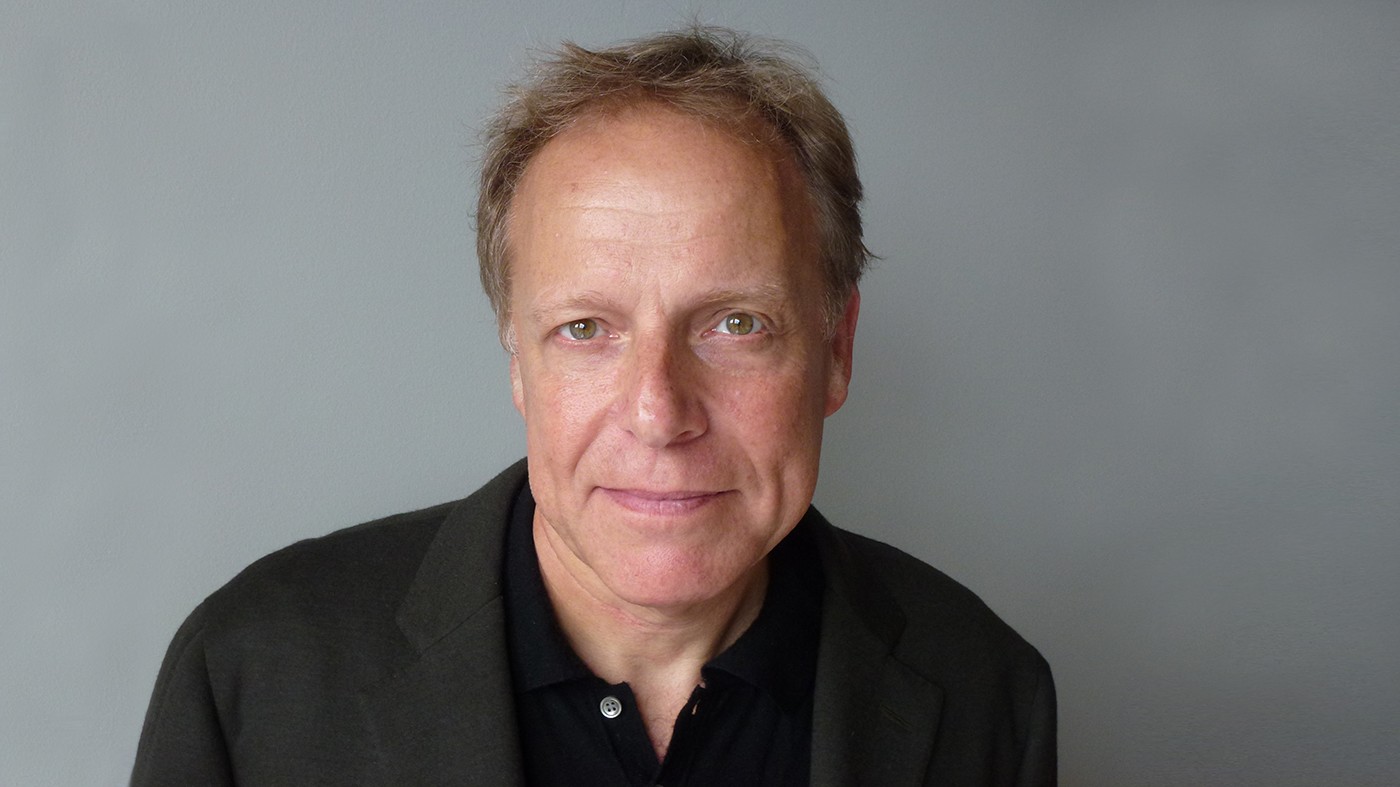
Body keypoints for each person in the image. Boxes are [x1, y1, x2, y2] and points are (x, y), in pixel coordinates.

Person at [132, 27, 1055, 786]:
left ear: (836, 351)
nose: (658, 412)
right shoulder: (254, 677)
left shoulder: (986, 693)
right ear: (517, 361)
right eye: (586, 328)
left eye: (736, 323)